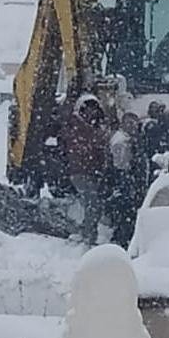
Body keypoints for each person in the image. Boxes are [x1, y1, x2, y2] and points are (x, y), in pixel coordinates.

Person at [60, 94, 108, 243]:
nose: (92, 114)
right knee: (93, 204)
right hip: (81, 172)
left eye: (94, 110)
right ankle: (88, 235)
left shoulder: (81, 128)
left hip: (86, 172)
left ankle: (87, 232)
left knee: (92, 204)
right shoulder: (78, 128)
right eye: (88, 110)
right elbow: (90, 146)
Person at [106, 112, 143, 247]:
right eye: (130, 123)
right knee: (125, 209)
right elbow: (120, 163)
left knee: (126, 210)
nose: (133, 126)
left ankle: (122, 237)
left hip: (126, 178)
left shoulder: (127, 138)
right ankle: (121, 239)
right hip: (122, 178)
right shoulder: (121, 140)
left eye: (135, 123)